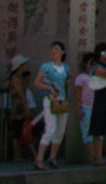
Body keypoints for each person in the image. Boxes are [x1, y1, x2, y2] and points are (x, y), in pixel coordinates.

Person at [34, 40, 70, 170]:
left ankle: (52, 157)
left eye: (56, 49)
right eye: (52, 49)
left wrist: (66, 83)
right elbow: (37, 82)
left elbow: (69, 77)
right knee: (50, 129)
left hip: (62, 100)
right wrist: (49, 88)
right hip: (50, 99)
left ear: (62, 52)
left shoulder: (66, 67)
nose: (53, 51)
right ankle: (39, 158)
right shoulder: (46, 66)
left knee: (60, 131)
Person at [3, 54, 37, 162]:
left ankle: (19, 155)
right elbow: (21, 95)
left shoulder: (13, 79)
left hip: (16, 110)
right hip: (17, 110)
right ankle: (19, 155)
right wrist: (26, 109)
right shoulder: (16, 79)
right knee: (18, 132)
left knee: (17, 133)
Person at [73, 52, 98, 163]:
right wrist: (78, 109)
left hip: (96, 108)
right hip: (86, 108)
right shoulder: (81, 78)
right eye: (90, 63)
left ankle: (98, 155)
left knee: (97, 133)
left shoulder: (96, 78)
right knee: (87, 133)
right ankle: (93, 156)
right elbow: (77, 94)